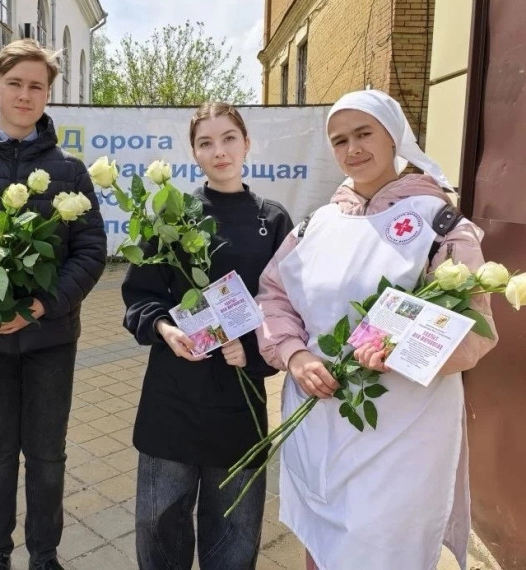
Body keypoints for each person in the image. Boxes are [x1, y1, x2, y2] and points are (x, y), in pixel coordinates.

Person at [257, 89, 498, 570]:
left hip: (403, 431)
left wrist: (401, 348)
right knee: (322, 543)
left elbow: (476, 329)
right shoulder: (316, 225)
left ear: (394, 136)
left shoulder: (438, 223)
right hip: (320, 421)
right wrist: (295, 355)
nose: (353, 149)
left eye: (364, 133)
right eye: (339, 140)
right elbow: (273, 296)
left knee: (384, 545)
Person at [0, 39, 106, 570]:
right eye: (15, 83)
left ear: (48, 94)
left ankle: (44, 555)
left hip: (50, 339)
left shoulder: (69, 170)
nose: (25, 95)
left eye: (36, 86)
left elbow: (91, 252)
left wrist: (37, 309)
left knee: (48, 454)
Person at [121, 102, 293, 569]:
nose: (219, 151)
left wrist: (253, 351)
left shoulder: (273, 221)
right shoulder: (174, 217)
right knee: (160, 522)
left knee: (234, 529)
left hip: (239, 397)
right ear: (194, 153)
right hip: (173, 394)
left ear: (247, 143)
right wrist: (165, 328)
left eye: (229, 138)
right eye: (206, 143)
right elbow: (139, 295)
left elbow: (287, 307)